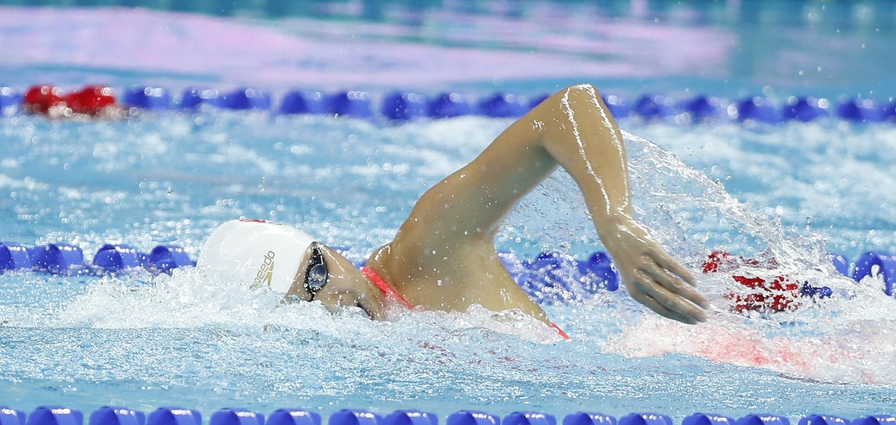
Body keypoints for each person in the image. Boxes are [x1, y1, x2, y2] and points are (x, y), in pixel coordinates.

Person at [199, 84, 711, 335]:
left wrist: (614, 219)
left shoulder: (426, 250)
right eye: (302, 300)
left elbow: (569, 109)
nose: (329, 294)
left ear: (327, 247)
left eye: (316, 269)